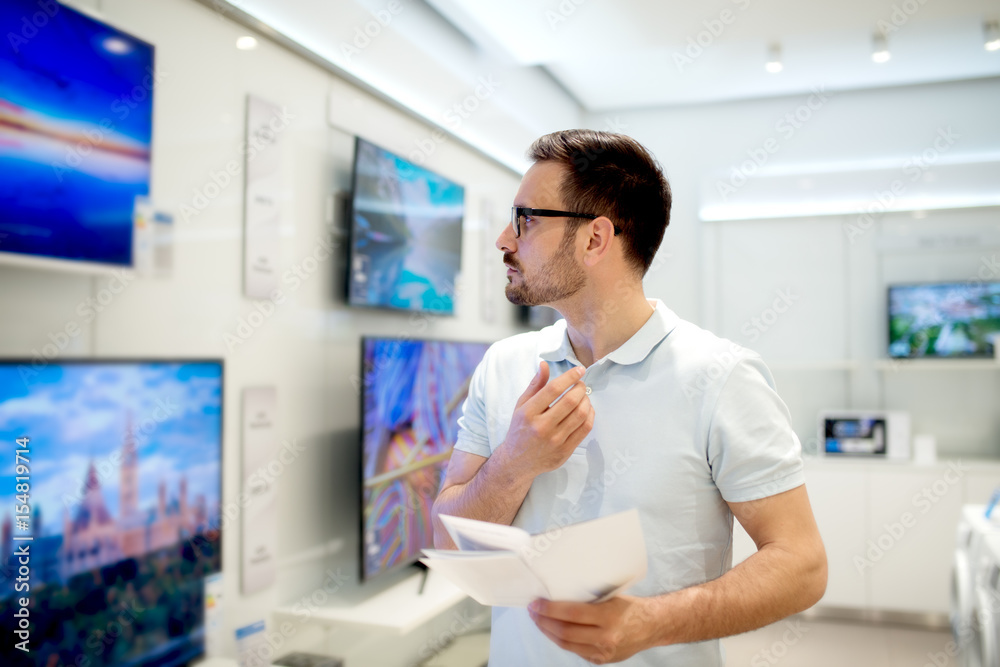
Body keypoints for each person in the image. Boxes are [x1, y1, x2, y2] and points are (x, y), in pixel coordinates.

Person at [431, 129, 827, 666]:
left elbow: (802, 565)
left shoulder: (721, 378)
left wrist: (651, 622)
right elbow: (449, 543)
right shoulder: (503, 366)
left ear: (595, 239)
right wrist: (514, 462)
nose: (504, 239)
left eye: (526, 218)